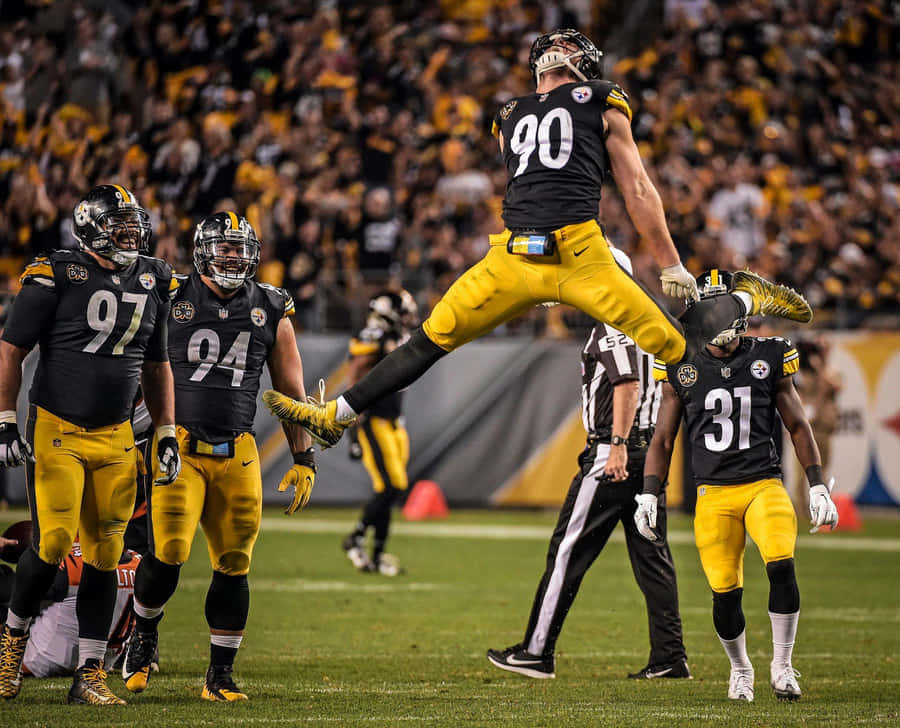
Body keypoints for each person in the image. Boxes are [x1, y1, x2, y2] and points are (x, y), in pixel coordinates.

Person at [261, 29, 811, 448]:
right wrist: (670, 261)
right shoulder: (599, 99)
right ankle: (333, 418)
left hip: (536, 255)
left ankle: (742, 295)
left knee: (428, 341)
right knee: (676, 345)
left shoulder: (509, 114)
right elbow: (637, 187)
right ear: (582, 64)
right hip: (555, 255)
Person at [120, 211, 315, 702]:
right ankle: (143, 636)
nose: (233, 256)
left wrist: (304, 457)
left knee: (234, 562)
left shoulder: (271, 305)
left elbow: (290, 390)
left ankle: (220, 676)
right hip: (178, 446)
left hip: (238, 450)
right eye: (224, 247)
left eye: (240, 248)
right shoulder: (172, 291)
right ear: (203, 250)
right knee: (168, 553)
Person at [0, 184, 180, 705]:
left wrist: (165, 428)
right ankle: (11, 645)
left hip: (117, 436)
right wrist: (6, 419)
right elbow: (11, 351)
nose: (130, 232)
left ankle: (91, 673)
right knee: (53, 543)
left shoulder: (153, 278)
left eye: (133, 223)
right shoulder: (54, 272)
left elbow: (156, 363)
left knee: (105, 554)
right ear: (89, 227)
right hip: (59, 428)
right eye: (118, 224)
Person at [634, 269, 839, 703]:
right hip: (713, 492)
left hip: (764, 484)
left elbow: (798, 425)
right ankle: (740, 668)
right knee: (725, 591)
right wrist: (650, 491)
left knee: (781, 563)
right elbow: (663, 438)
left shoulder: (768, 354)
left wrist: (817, 484)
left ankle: (782, 665)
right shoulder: (680, 361)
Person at [487, 248, 689, 681]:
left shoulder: (615, 323)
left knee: (565, 553)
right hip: (648, 455)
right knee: (653, 559)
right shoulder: (648, 324)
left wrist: (616, 444)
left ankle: (537, 652)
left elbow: (627, 385)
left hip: (613, 454)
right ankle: (670, 657)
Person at [0, 520, 146, 679]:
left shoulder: (70, 562)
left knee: (7, 580)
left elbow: (21, 598)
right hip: (101, 660)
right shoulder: (137, 560)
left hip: (44, 658)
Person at [342, 289, 418, 576]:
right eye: (404, 310)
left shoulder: (396, 335)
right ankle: (356, 537)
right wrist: (352, 421)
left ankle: (377, 555)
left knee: (387, 491)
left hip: (396, 421)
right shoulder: (372, 335)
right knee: (392, 486)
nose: (409, 316)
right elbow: (356, 371)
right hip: (373, 421)